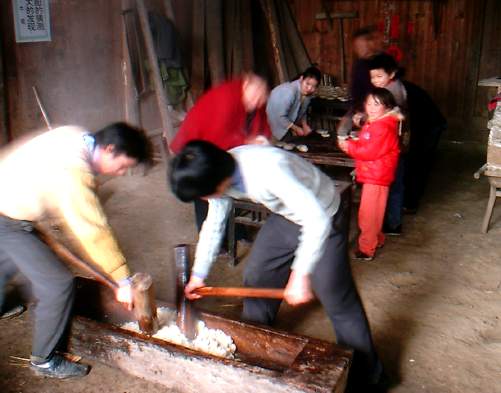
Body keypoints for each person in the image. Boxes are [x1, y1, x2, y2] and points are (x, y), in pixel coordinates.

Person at [169, 140, 385, 391]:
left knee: (336, 296)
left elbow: (316, 220)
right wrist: (198, 274)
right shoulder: (219, 170)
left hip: (323, 213)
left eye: (203, 194)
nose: (204, 199)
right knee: (258, 274)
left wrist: (300, 274)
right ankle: (255, 348)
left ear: (217, 182)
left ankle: (368, 376)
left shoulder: (268, 173)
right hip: (287, 216)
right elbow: (214, 222)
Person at [0, 123, 153, 379]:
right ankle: (44, 359)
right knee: (57, 283)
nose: (120, 173)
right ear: (109, 149)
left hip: (8, 201)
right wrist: (121, 278)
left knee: (8, 257)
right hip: (8, 218)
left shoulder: (75, 134)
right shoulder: (73, 171)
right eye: (122, 166)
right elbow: (92, 229)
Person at [169, 73, 271, 233]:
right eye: (255, 98)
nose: (257, 102)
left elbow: (261, 123)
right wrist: (246, 141)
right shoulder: (227, 100)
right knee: (205, 191)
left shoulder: (253, 98)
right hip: (199, 151)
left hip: (216, 152)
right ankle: (210, 233)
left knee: (225, 192)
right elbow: (217, 139)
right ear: (245, 86)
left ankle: (235, 232)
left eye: (261, 99)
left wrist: (262, 140)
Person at [338, 88, 401, 261]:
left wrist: (348, 146)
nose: (371, 107)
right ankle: (377, 239)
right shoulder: (377, 121)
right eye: (368, 103)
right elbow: (369, 140)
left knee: (368, 214)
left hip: (377, 175)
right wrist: (356, 140)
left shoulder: (383, 126)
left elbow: (370, 151)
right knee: (375, 211)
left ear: (387, 107)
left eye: (376, 104)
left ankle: (366, 249)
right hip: (375, 173)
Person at [368, 53, 408, 236]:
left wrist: (365, 120)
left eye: (379, 76)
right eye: (372, 77)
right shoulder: (391, 86)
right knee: (394, 184)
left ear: (391, 74)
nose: (375, 81)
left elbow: (390, 116)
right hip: (394, 145)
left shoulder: (393, 91)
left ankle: (392, 223)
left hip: (392, 147)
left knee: (393, 184)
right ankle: (392, 222)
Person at [337, 27, 392, 136]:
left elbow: (384, 94)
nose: (359, 49)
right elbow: (356, 89)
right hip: (359, 106)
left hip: (376, 107)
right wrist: (356, 108)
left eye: (361, 45)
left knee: (368, 134)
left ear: (369, 44)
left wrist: (368, 111)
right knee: (342, 130)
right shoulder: (360, 64)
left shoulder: (381, 62)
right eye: (357, 46)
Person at [266, 66, 321, 140]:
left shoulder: (307, 95)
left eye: (313, 86)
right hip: (272, 126)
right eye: (307, 84)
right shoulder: (290, 91)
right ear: (301, 79)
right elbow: (280, 117)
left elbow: (302, 111)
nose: (309, 88)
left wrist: (305, 125)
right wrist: (296, 128)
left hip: (285, 124)